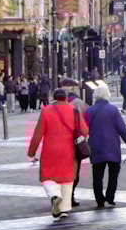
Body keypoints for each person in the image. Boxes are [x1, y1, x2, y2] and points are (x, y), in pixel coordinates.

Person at [27, 88, 89, 219]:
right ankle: (64, 209)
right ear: (66, 98)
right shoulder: (74, 111)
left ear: (53, 98)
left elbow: (37, 134)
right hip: (69, 150)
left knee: (48, 176)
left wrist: (31, 152)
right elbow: (84, 130)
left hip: (50, 150)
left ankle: (54, 196)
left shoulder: (46, 112)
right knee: (67, 178)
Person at [84, 82, 126, 207]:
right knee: (113, 173)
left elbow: (84, 128)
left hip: (96, 146)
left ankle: (99, 199)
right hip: (112, 146)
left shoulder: (89, 111)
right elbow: (121, 127)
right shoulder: (113, 110)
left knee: (97, 174)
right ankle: (110, 196)